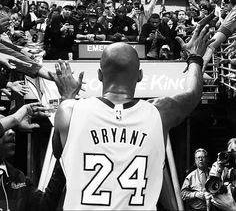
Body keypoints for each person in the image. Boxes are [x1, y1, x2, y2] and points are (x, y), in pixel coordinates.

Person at [52, 17, 213, 210]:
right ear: (140, 76)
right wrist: (195, 58)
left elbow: (58, 153)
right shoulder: (159, 113)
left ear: (100, 75)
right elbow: (193, 94)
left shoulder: (69, 111)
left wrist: (67, 97)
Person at [0, 103, 66, 211]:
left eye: (12, 128)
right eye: (5, 128)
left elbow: (44, 206)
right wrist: (15, 119)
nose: (12, 131)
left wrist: (63, 155)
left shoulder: (18, 178)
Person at [208, 138, 236, 211]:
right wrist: (219, 169)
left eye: (234, 152)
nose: (232, 155)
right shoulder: (220, 165)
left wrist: (232, 208)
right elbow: (211, 188)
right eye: (230, 152)